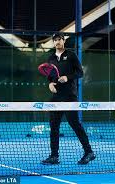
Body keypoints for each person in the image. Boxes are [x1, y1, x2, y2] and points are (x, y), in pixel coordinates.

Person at [41, 33, 95, 165]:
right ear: (53, 42)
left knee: (75, 124)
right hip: (56, 97)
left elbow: (80, 72)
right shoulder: (51, 58)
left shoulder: (71, 55)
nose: (57, 42)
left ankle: (89, 152)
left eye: (59, 39)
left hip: (69, 96)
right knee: (54, 126)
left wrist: (67, 77)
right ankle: (54, 156)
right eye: (55, 40)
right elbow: (50, 76)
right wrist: (50, 84)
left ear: (63, 41)